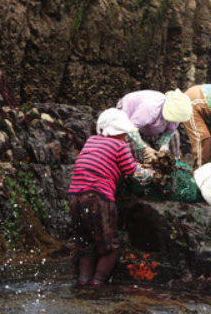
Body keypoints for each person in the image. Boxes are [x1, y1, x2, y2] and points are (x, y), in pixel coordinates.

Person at [67, 108, 156, 287]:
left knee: (86, 247)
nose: (125, 137)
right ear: (120, 132)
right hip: (98, 198)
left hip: (75, 196)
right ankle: (98, 283)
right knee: (111, 248)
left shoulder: (91, 141)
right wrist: (151, 174)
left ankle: (82, 283)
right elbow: (134, 172)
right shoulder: (119, 146)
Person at [117, 89, 192, 163]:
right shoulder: (150, 108)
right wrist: (144, 148)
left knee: (175, 135)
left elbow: (169, 132)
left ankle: (174, 165)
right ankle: (140, 167)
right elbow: (131, 128)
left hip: (150, 125)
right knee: (133, 145)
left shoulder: (179, 113)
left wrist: (164, 144)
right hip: (130, 119)